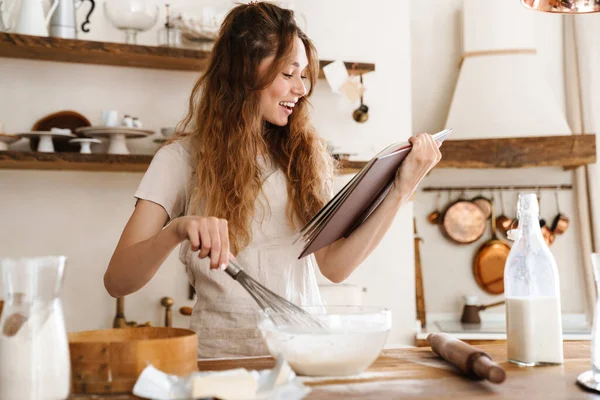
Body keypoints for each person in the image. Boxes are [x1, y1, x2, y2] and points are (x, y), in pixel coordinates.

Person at [104, 1, 441, 358]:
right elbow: (118, 281)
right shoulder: (180, 160)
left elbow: (335, 267)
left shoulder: (304, 157)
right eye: (288, 74)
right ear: (245, 72)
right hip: (220, 359)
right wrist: (177, 230)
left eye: (303, 74)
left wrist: (402, 188)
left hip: (304, 352)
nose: (301, 88)